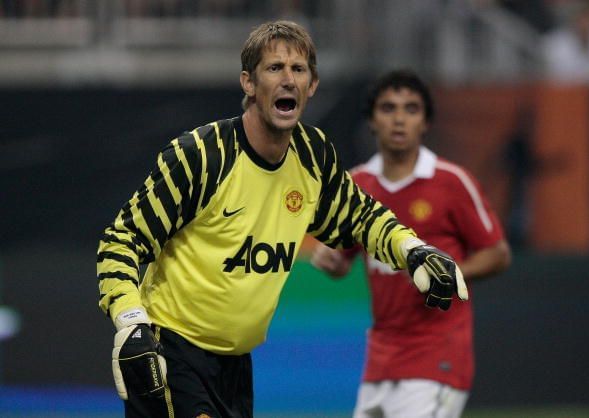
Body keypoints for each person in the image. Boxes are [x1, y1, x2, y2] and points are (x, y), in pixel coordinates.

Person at [97, 22, 468, 418]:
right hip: (168, 351)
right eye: (275, 68)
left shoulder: (312, 156)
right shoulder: (202, 156)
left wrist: (412, 250)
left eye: (299, 69)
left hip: (235, 366)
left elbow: (361, 216)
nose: (288, 79)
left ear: (312, 86)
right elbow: (122, 240)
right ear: (249, 83)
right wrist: (131, 323)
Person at [311, 69, 511, 418]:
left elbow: (498, 254)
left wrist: (450, 272)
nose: (399, 119)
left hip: (438, 354)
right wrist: (330, 261)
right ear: (372, 121)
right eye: (388, 108)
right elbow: (342, 262)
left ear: (426, 122)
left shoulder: (451, 182)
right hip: (382, 356)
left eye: (411, 109)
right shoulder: (356, 186)